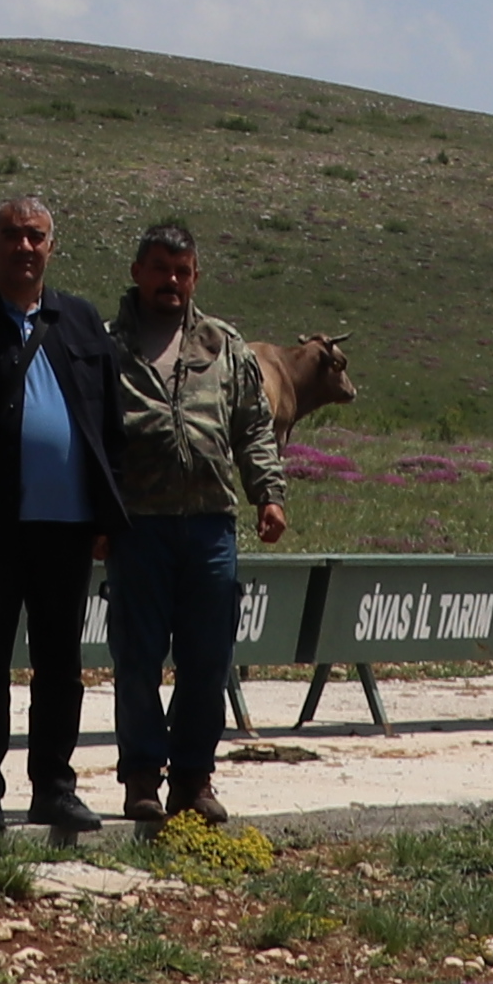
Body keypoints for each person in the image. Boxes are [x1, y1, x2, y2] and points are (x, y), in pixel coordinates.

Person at [0, 190, 117, 841]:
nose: (25, 247)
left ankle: (54, 788)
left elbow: (108, 423)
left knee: (61, 665)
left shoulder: (83, 323)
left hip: (67, 527)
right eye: (12, 235)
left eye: (36, 236)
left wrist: (106, 514)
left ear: (51, 245)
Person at [97, 217, 287, 833]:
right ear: (137, 273)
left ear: (195, 276)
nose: (171, 282)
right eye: (159, 269)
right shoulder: (106, 345)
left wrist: (268, 495)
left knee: (208, 661)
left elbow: (253, 426)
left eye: (182, 272)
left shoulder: (222, 345)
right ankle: (143, 780)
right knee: (137, 660)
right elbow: (92, 438)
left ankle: (194, 779)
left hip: (209, 527)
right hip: (138, 528)